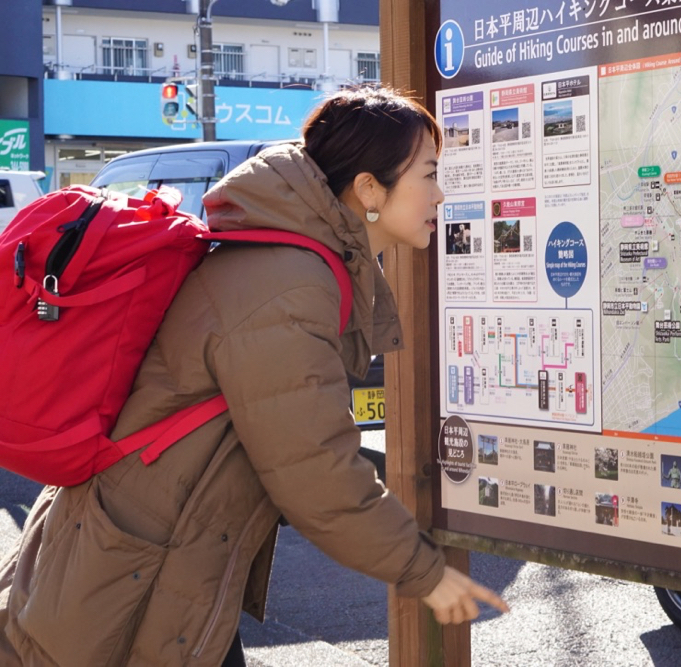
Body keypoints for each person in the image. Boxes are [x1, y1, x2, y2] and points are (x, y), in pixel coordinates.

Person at [0, 87, 508, 666]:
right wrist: (424, 572)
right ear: (369, 188)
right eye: (429, 175)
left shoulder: (298, 262)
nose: (440, 194)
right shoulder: (288, 287)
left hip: (158, 557)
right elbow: (317, 471)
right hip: (131, 572)